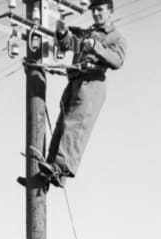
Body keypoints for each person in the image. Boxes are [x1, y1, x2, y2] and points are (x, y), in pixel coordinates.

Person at [38, 0, 126, 188]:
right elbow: (69, 44)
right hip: (75, 81)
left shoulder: (116, 37)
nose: (96, 14)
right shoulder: (88, 33)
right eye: (94, 11)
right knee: (62, 124)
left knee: (75, 125)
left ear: (110, 11)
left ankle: (60, 167)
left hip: (93, 82)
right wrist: (61, 33)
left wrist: (95, 45)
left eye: (100, 10)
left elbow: (117, 60)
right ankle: (48, 173)